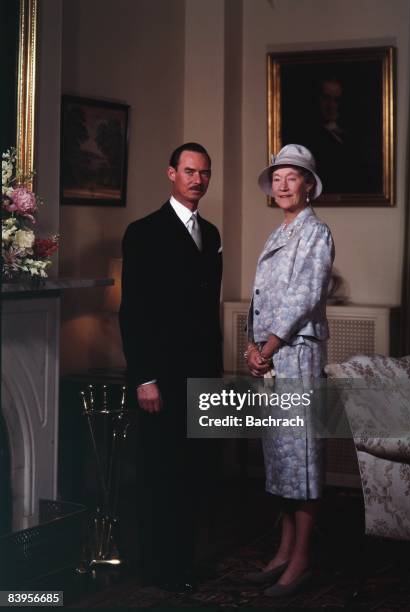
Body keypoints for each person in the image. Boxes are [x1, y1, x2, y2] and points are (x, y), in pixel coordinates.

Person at [119, 142, 223, 592]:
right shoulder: (143, 232)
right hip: (159, 376)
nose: (197, 179)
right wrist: (144, 377)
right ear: (171, 174)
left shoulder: (212, 234)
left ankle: (183, 561)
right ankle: (157, 569)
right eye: (189, 171)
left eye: (204, 172)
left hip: (201, 374)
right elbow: (133, 311)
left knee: (194, 473)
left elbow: (206, 311)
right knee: (160, 474)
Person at [244, 144, 335, 597]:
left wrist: (270, 345)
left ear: (308, 185)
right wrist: (251, 345)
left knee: (301, 459)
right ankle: (282, 551)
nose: (282, 185)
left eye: (292, 177)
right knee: (280, 460)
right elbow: (260, 296)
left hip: (296, 355)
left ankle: (300, 561)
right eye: (277, 177)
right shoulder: (278, 230)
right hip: (272, 356)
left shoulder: (316, 233)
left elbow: (304, 296)